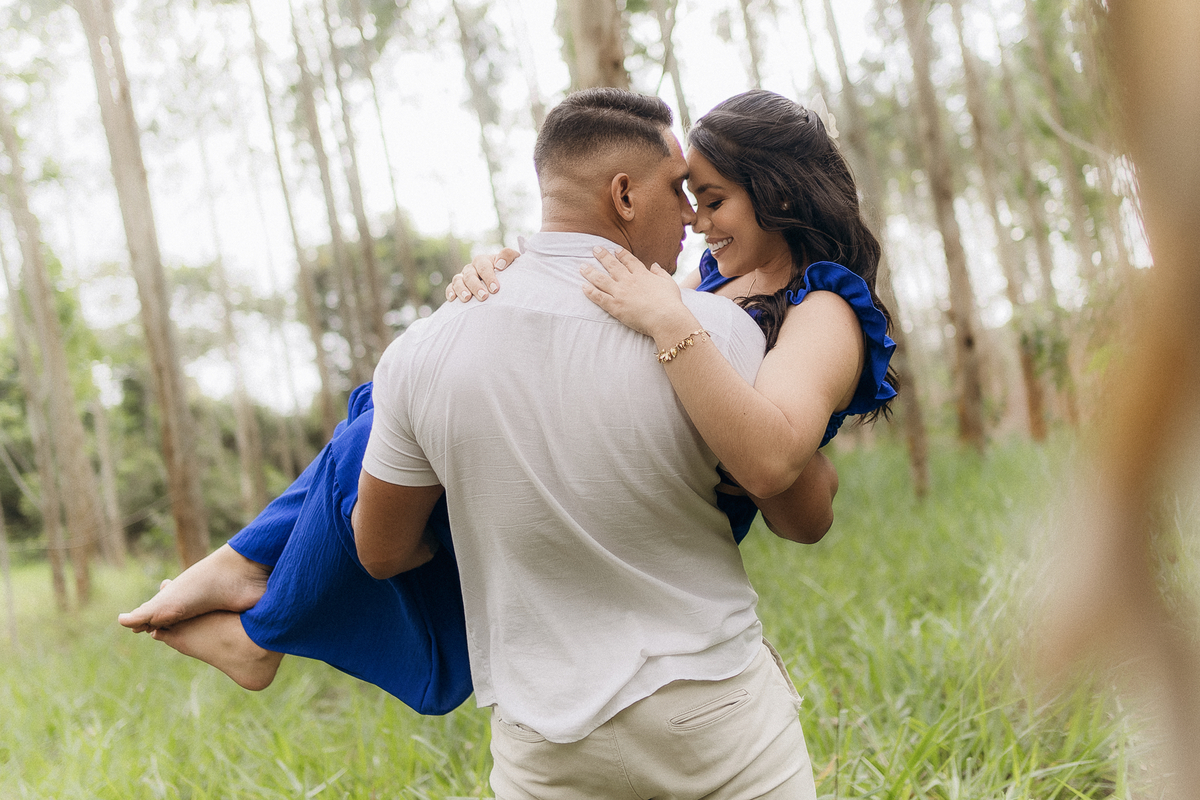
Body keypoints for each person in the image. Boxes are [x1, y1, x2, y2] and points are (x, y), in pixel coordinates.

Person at [118, 87, 878, 798]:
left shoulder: (814, 307)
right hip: (672, 629)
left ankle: (257, 584)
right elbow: (593, 330)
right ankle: (253, 578)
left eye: (710, 199)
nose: (694, 218)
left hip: (664, 548)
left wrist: (664, 321)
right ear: (622, 193)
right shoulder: (711, 292)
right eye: (687, 196)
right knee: (387, 408)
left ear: (776, 195)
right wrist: (510, 279)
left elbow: (789, 483)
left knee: (396, 405)